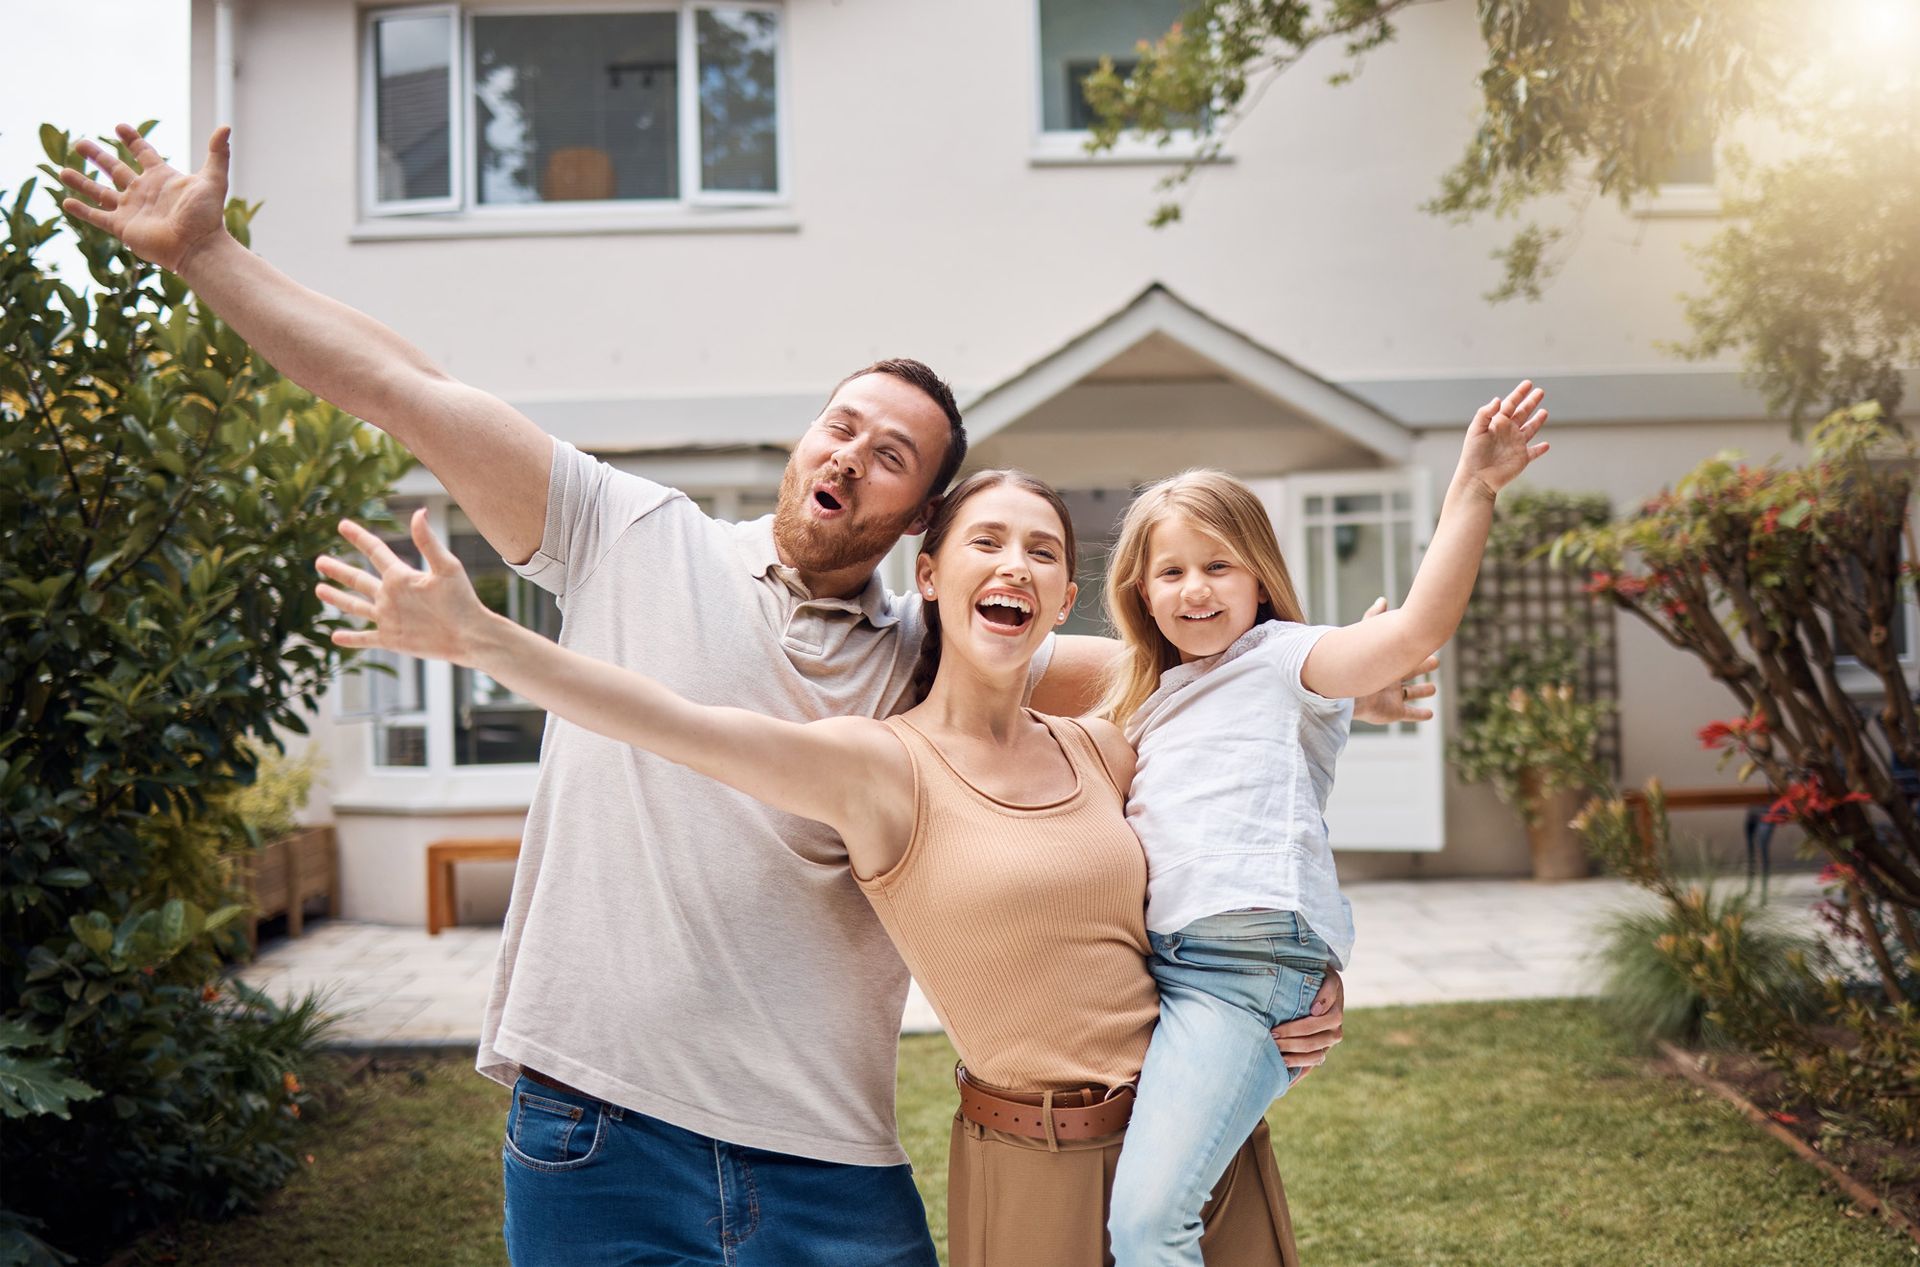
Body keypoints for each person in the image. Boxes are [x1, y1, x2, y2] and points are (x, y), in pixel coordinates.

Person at [58, 126, 1433, 1263]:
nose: (854, 451)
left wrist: (1338, 701)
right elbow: (415, 390)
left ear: (917, 528)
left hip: (830, 1157)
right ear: (805, 437)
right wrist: (210, 255)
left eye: (894, 455)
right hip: (597, 1126)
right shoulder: (625, 532)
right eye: (843, 422)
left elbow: (1190, 681)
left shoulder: (930, 656)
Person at [317, 468, 1343, 1264]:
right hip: (1028, 1157)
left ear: (1066, 594)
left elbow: (1240, 835)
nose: (1015, 564)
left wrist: (1303, 981)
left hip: (1184, 1132)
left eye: (1042, 550)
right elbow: (674, 723)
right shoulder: (878, 766)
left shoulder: (1107, 748)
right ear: (929, 577)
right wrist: (487, 640)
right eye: (987, 541)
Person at [1099, 384, 1549, 1266]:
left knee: (1149, 1226)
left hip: (1248, 968)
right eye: (1172, 570)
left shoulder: (1283, 658)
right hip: (1176, 971)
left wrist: (1473, 488)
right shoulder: (1147, 699)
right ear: (1140, 592)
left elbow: (1416, 629)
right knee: (1148, 1206)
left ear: (1261, 576)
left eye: (1219, 564)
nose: (1196, 588)